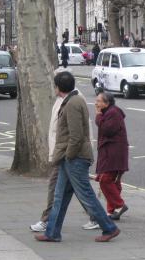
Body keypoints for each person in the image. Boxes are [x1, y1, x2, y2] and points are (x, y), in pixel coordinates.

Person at [35, 72, 120, 243]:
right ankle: (52, 232)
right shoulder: (72, 100)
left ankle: (109, 228)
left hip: (75, 158)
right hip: (69, 158)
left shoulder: (73, 103)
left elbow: (76, 135)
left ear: (58, 87)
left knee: (86, 195)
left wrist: (68, 156)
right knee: (60, 196)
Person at [94, 92, 129, 220]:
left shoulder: (113, 113)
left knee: (105, 180)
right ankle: (112, 211)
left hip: (114, 154)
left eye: (98, 101)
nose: (96, 103)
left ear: (106, 103)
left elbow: (107, 130)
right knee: (114, 182)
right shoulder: (109, 112)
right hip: (112, 153)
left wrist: (98, 116)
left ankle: (119, 205)